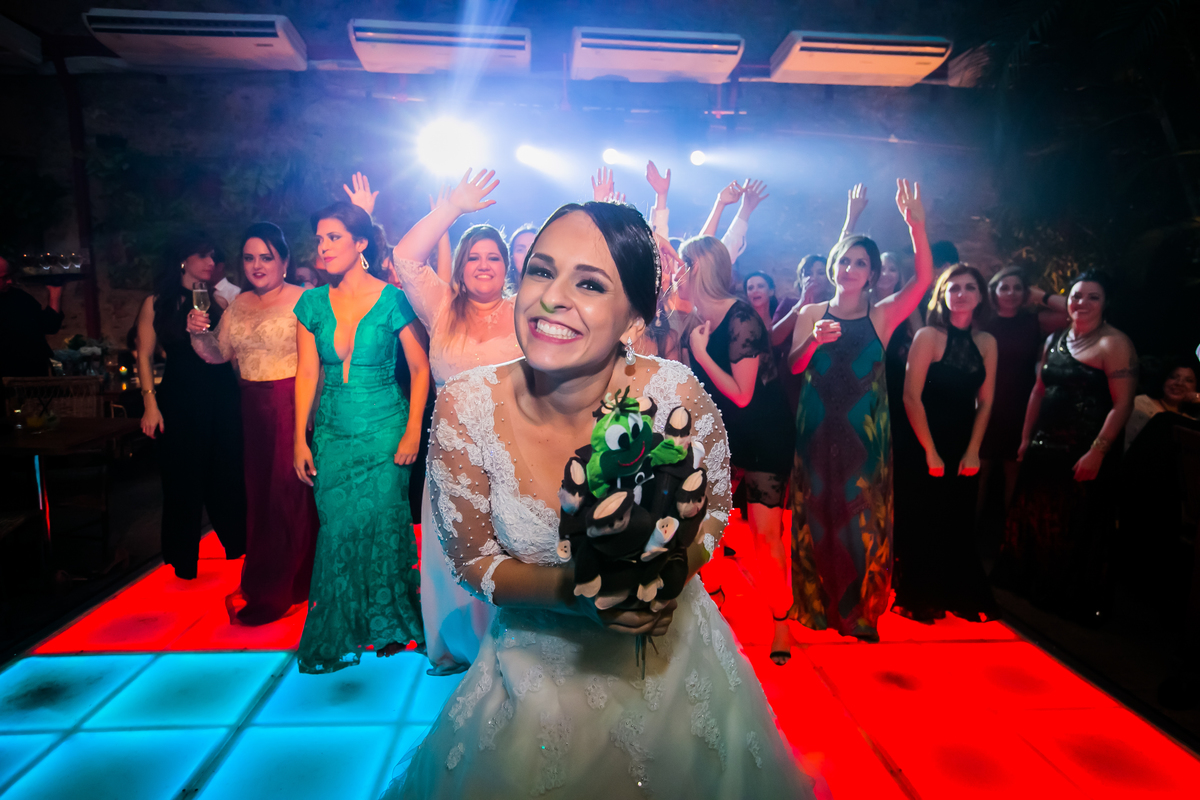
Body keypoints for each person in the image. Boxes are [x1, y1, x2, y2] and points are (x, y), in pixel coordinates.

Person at [383, 200, 811, 800]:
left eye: (588, 283)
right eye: (540, 270)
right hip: (531, 680)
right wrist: (582, 594)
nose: (552, 297)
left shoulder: (671, 391)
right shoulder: (466, 405)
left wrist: (660, 580)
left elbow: (713, 514)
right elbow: (475, 561)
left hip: (673, 668)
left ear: (635, 312)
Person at [787, 179, 933, 641]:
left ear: (872, 274)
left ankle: (860, 611)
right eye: (845, 260)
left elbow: (925, 280)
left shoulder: (883, 314)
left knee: (859, 518)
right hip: (815, 434)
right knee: (817, 516)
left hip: (863, 439)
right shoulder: (811, 312)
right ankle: (816, 606)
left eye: (861, 263)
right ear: (834, 266)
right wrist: (812, 340)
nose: (851, 268)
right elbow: (793, 367)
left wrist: (917, 227)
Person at [391, 169, 524, 676]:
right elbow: (406, 257)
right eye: (474, 256)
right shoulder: (441, 309)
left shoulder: (522, 312)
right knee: (452, 554)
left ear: (507, 266)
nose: (483, 265)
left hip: (512, 452)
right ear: (462, 267)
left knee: (507, 551)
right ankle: (455, 647)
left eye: (493, 257)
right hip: (452, 455)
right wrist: (451, 210)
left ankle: (508, 646)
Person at [292, 201, 431, 673]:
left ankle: (390, 625)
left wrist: (413, 429)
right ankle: (343, 627)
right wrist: (298, 438)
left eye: (333, 237)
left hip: (386, 429)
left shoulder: (393, 298)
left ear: (360, 244)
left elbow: (419, 367)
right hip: (332, 431)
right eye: (319, 238)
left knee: (384, 524)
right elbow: (306, 374)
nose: (323, 247)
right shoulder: (310, 303)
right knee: (338, 528)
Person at [186, 222, 318, 625]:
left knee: (290, 498)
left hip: (293, 405)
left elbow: (321, 362)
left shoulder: (306, 299)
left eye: (266, 257)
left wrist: (312, 419)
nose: (257, 265)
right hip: (251, 410)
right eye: (249, 258)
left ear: (284, 261)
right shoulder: (239, 303)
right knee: (260, 499)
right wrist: (197, 334)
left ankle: (290, 585)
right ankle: (271, 579)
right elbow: (219, 354)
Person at [996, 270, 1138, 623]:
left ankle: (1062, 600)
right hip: (1046, 445)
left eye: (1093, 297)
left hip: (1084, 449)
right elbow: (1038, 391)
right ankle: (1029, 587)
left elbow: (1123, 405)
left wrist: (1097, 452)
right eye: (1076, 296)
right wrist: (1028, 437)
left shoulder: (1115, 343)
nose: (1082, 303)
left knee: (1072, 527)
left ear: (1106, 305)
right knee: (1036, 520)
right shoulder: (1055, 338)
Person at [681, 237, 796, 665]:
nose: (678, 274)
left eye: (684, 267)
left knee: (765, 538)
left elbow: (743, 394)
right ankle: (714, 602)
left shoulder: (742, 317)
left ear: (700, 270)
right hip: (721, 436)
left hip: (763, 435)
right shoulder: (694, 316)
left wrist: (699, 354)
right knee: (702, 528)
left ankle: (781, 619)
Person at [893, 265, 1000, 622]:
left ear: (980, 296)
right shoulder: (928, 336)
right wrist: (929, 450)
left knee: (957, 518)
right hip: (923, 439)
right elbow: (911, 397)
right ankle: (922, 595)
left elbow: (985, 401)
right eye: (954, 287)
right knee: (923, 518)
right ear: (942, 295)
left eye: (970, 287)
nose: (962, 293)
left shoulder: (987, 343)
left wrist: (974, 450)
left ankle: (957, 593)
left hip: (963, 442)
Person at [136, 235, 246, 579]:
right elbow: (143, 354)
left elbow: (230, 356)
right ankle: (183, 560)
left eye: (214, 257)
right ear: (183, 259)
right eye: (203, 256)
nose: (211, 263)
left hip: (222, 396)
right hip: (180, 397)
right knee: (182, 478)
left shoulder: (218, 303)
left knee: (227, 474)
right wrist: (149, 405)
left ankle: (239, 549)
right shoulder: (157, 303)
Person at [978, 266, 1070, 513]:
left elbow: (1075, 312)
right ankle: (969, 539)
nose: (1011, 292)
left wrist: (1042, 297)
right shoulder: (981, 322)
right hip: (985, 407)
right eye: (1004, 287)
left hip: (1021, 406)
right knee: (978, 474)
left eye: (1018, 287)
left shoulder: (1034, 322)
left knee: (1014, 473)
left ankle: (1009, 540)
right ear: (993, 292)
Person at [0, 254, 65, 378]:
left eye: (9, 276)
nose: (10, 281)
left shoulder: (18, 297)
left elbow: (49, 325)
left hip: (33, 375)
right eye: (4, 277)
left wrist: (55, 294)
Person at [1125, 357, 1199, 448]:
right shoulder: (1140, 403)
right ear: (1164, 380)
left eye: (1189, 380)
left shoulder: (1190, 422)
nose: (1179, 383)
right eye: (1173, 377)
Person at [507, 223, 538, 290]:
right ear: (511, 257)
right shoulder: (503, 296)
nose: (528, 255)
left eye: (533, 248)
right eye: (520, 250)